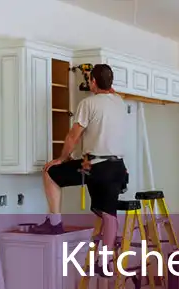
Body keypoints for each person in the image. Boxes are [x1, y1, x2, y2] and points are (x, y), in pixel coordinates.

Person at [30, 63, 128, 252]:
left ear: (93, 81)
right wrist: (102, 82)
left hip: (94, 166)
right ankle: (105, 261)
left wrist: (62, 158)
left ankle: (55, 223)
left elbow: (73, 136)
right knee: (109, 215)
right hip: (117, 167)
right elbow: (108, 91)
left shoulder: (88, 103)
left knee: (50, 172)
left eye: (90, 80)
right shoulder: (119, 102)